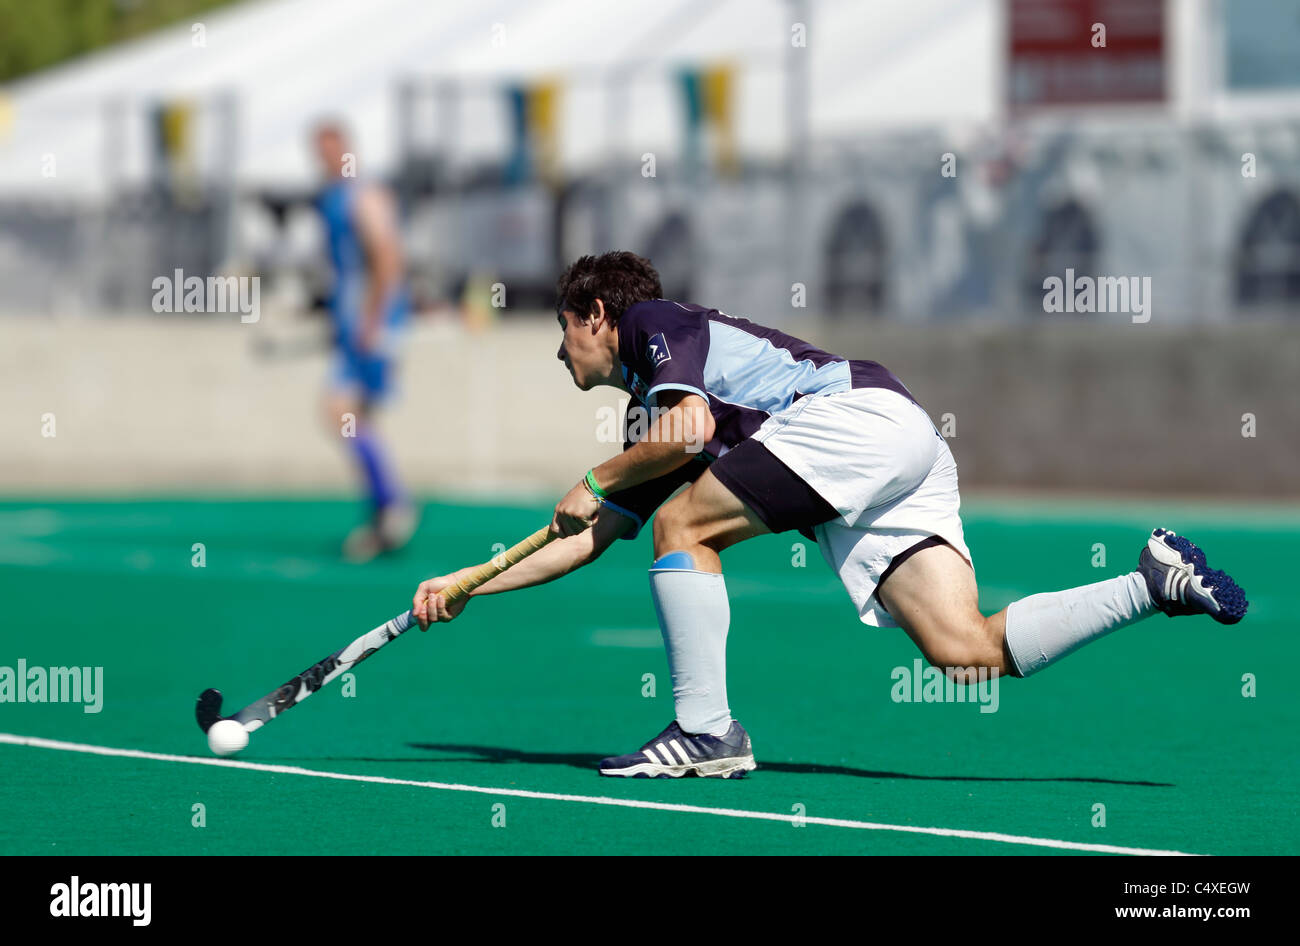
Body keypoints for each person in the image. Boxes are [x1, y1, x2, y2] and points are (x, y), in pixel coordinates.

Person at [410, 251, 1248, 779]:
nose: (563, 351)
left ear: (598, 315)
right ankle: (1153, 582)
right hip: (898, 443)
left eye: (565, 331)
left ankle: (706, 732)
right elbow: (593, 536)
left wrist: (594, 476)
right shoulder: (651, 418)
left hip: (855, 423)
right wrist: (466, 584)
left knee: (683, 528)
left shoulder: (657, 327)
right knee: (965, 650)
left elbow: (688, 432)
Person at [312, 121, 416, 561]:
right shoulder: (331, 198)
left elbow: (388, 258)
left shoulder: (362, 195)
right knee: (359, 420)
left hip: (372, 325)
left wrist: (372, 320)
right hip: (355, 323)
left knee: (340, 412)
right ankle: (384, 515)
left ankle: (393, 506)